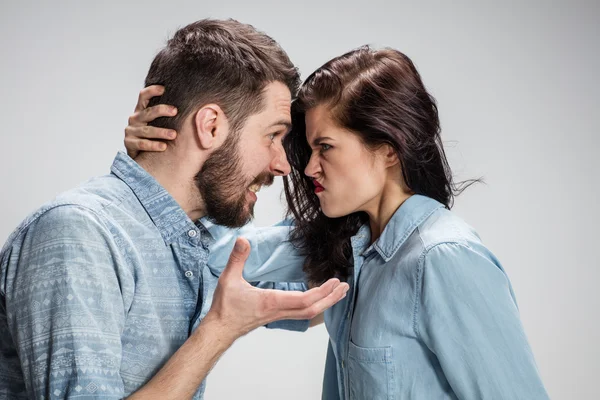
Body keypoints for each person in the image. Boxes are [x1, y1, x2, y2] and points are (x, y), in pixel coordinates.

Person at [127, 46, 550, 399]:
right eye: (308, 149)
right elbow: (213, 262)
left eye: (324, 147)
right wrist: (162, 157)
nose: (308, 167)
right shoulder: (353, 250)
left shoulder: (443, 259)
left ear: (387, 148)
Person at [0, 19, 349, 400]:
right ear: (211, 126)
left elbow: (319, 291)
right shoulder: (78, 235)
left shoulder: (195, 243)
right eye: (272, 135)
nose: (283, 164)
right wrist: (219, 328)